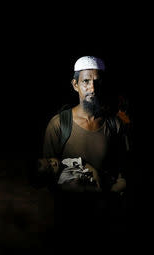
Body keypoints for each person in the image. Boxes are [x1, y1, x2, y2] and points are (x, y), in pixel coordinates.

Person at [42, 56, 128, 195]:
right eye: (86, 81)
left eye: (97, 81)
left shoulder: (114, 125)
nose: (92, 88)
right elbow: (46, 175)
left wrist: (113, 191)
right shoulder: (58, 124)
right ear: (75, 85)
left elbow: (123, 171)